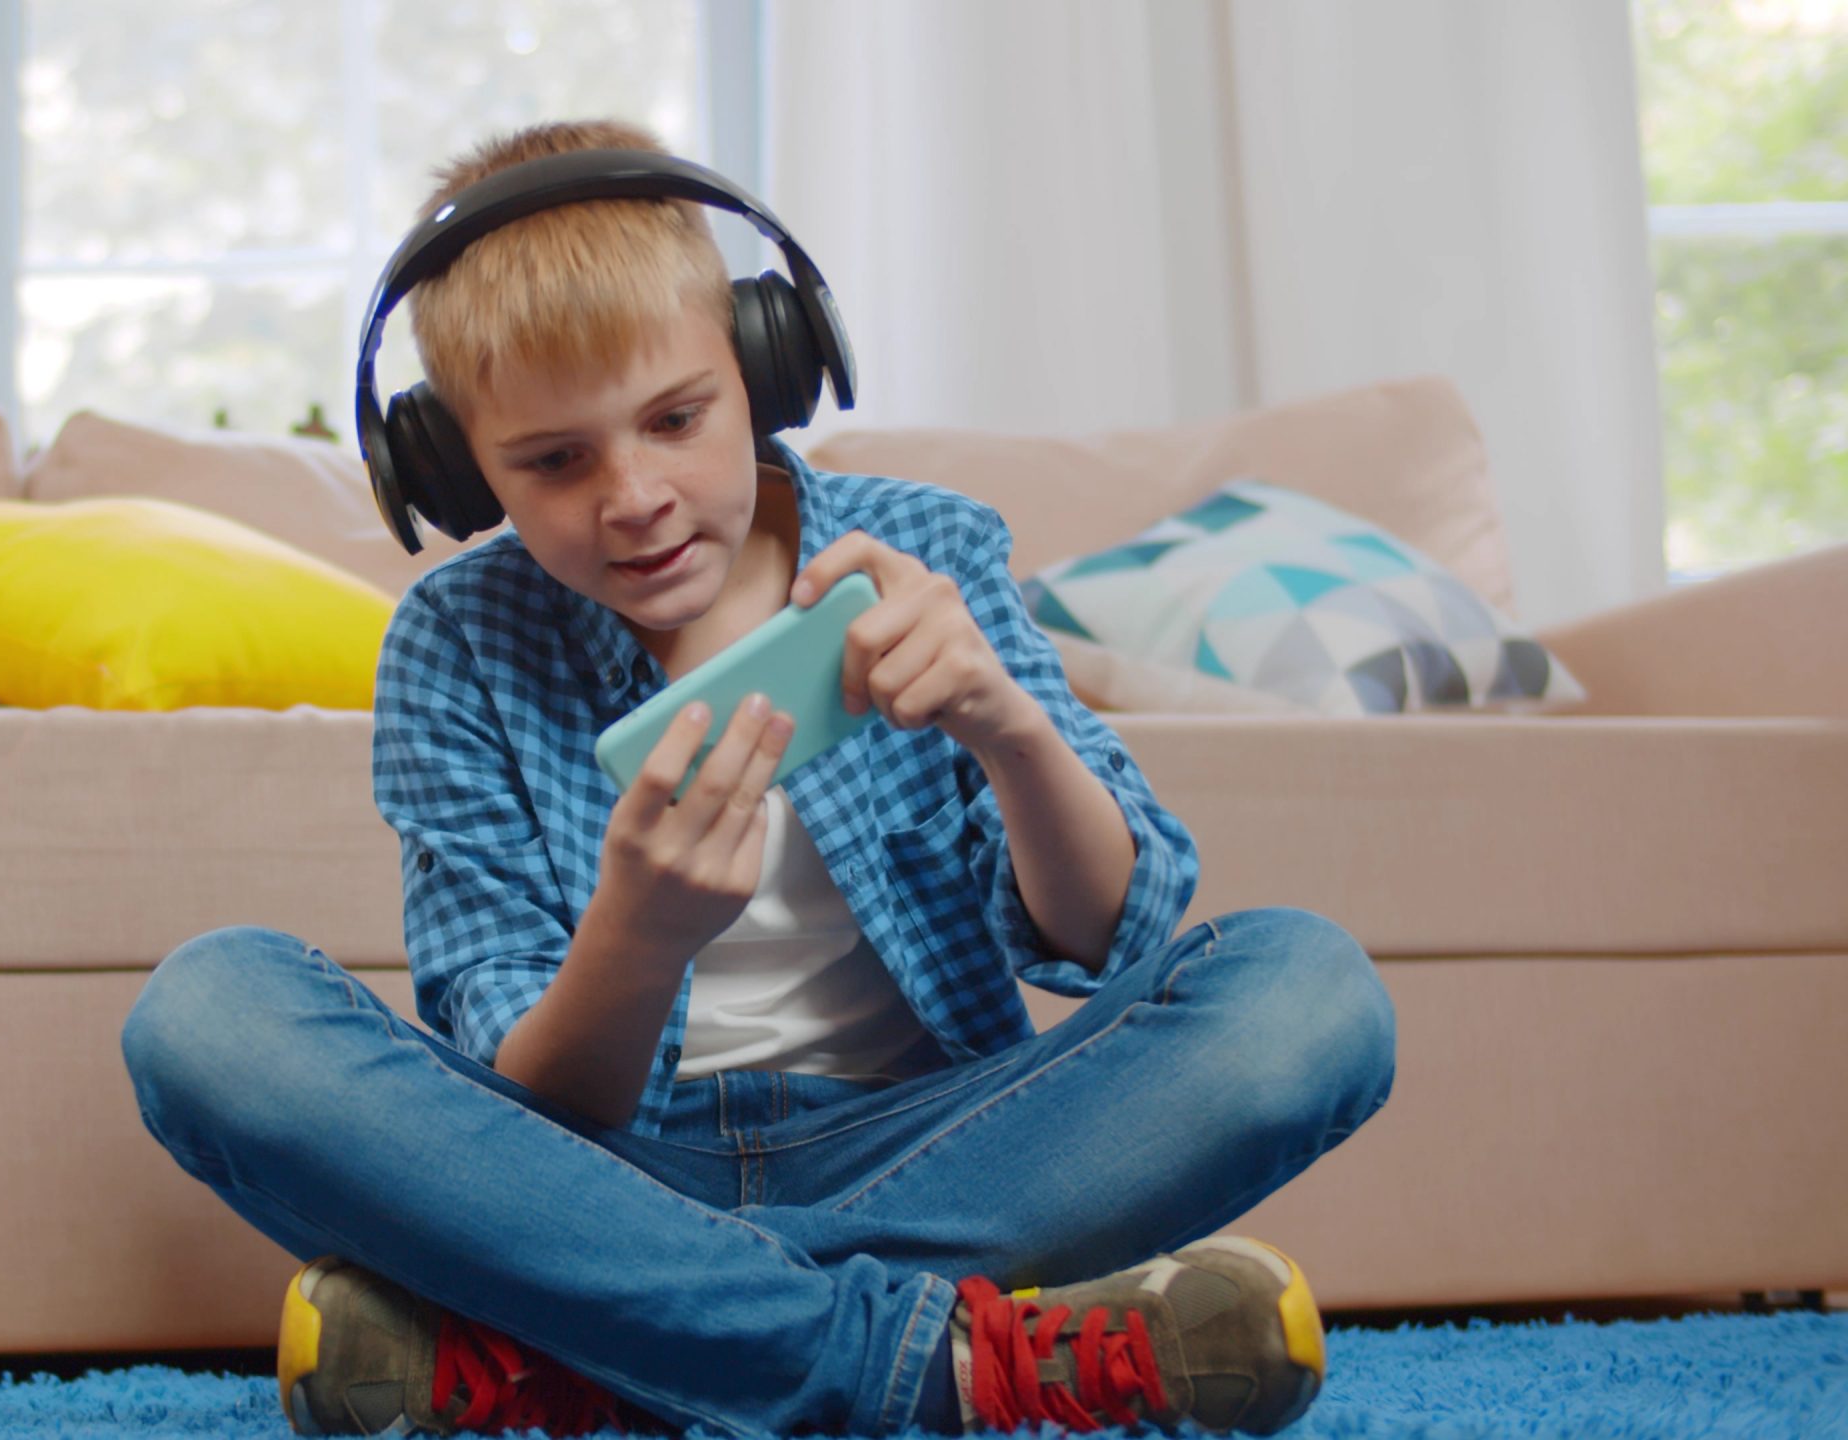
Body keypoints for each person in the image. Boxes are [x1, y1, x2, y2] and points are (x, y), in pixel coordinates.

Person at [120, 117, 1397, 1438]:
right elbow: (530, 1093)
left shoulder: (925, 546)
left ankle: (592, 1352)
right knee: (208, 1015)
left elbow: (1108, 938)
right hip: (599, 1173)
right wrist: (639, 935)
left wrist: (1009, 729)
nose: (634, 495)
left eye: (677, 419)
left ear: (763, 368)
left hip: (936, 1147)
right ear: (456, 468)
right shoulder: (454, 644)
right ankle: (949, 1365)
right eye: (553, 461)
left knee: (1311, 994)